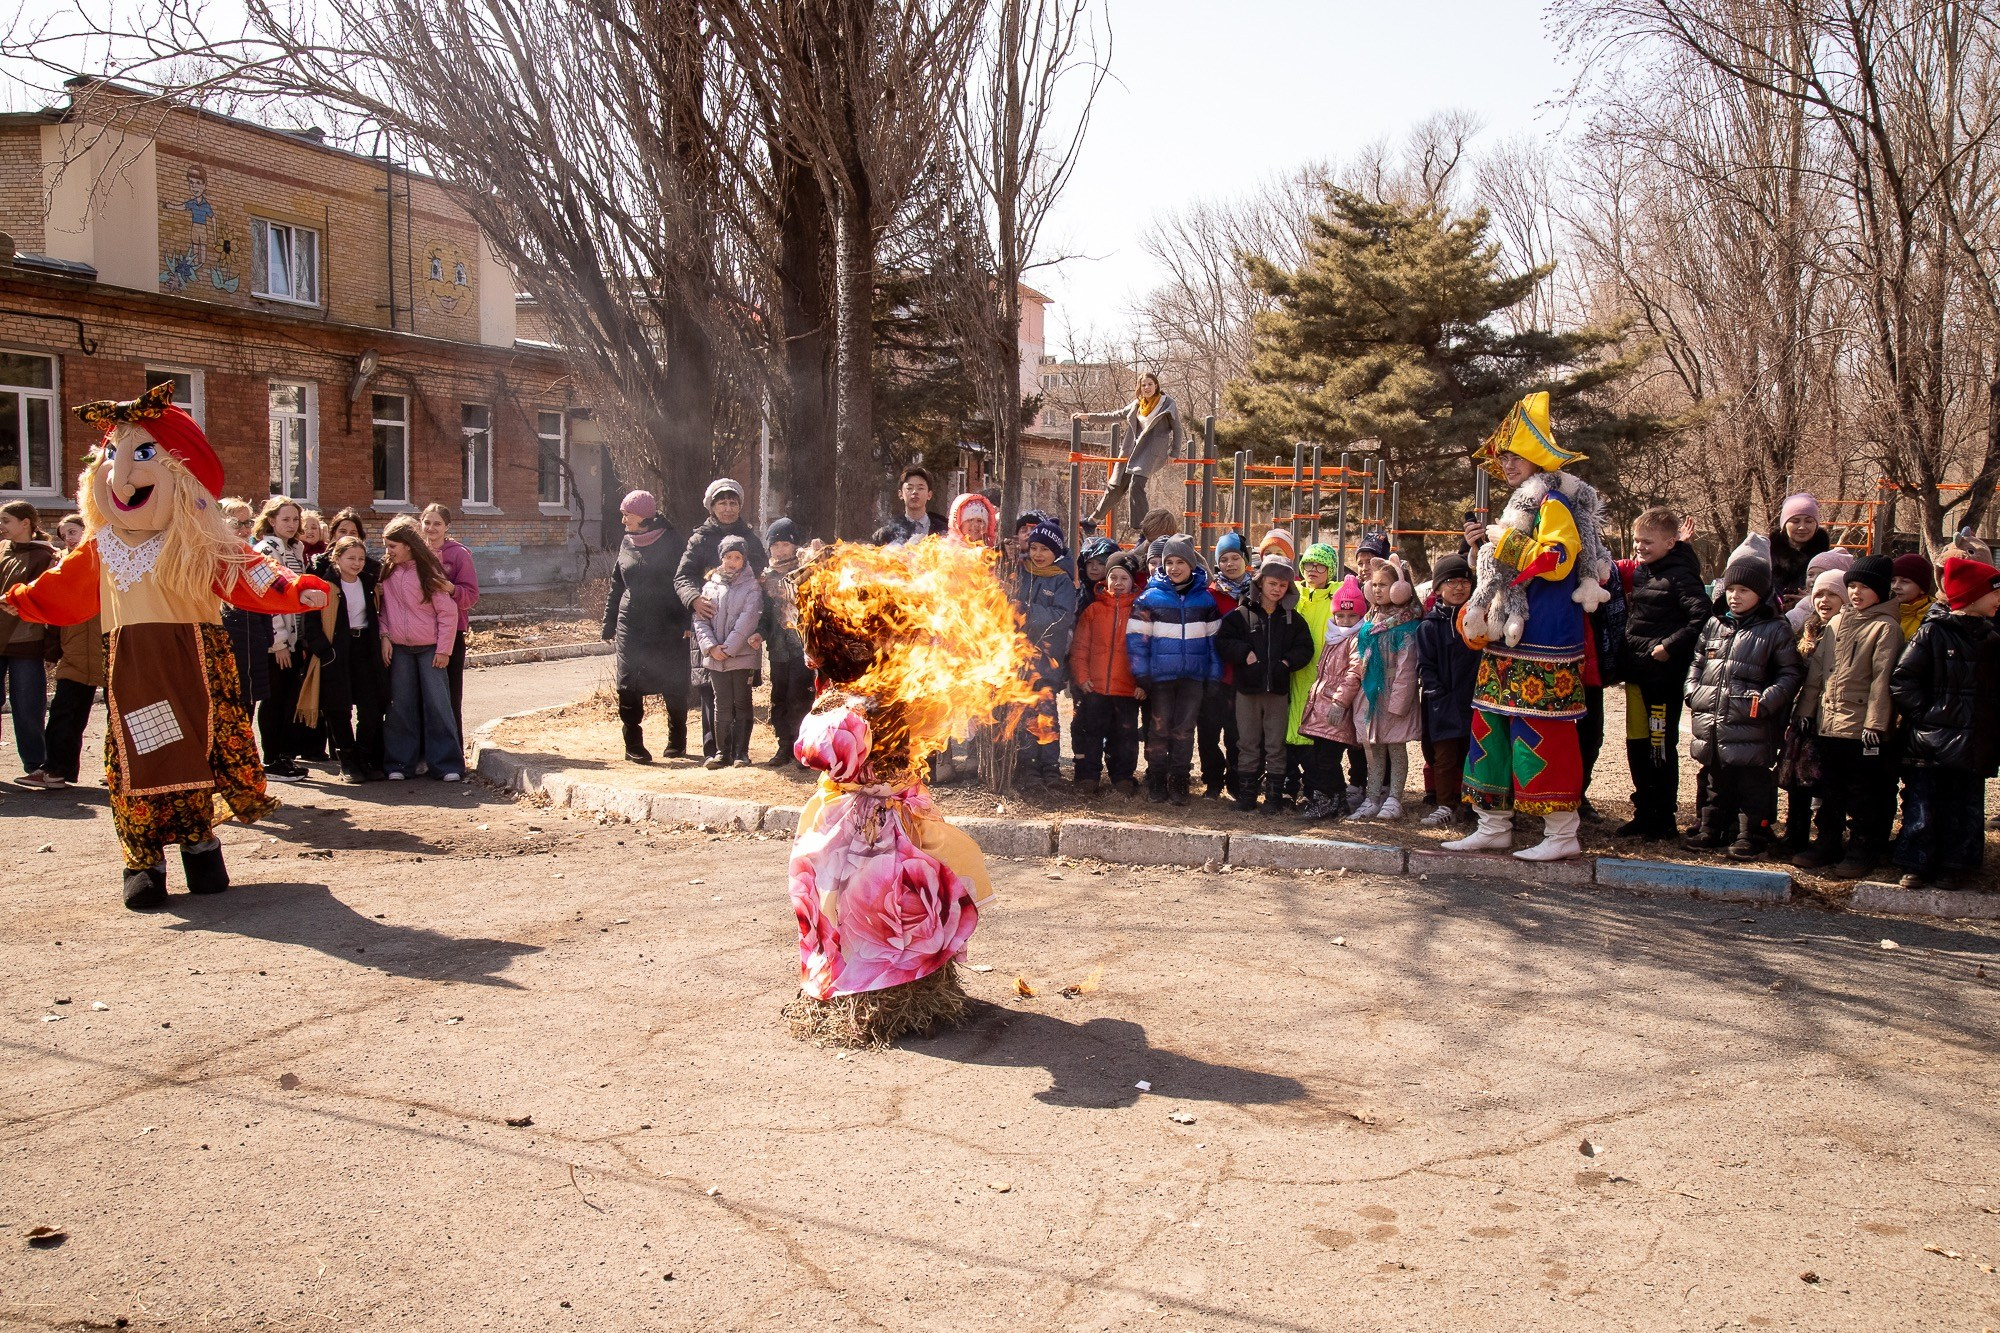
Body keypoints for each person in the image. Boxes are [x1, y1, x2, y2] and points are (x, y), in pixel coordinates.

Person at [2, 381, 329, 907]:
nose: (123, 473)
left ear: (182, 473)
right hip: (132, 668)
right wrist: (23, 598)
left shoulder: (197, 538)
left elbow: (249, 573)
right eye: (112, 455)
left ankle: (200, 846)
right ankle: (144, 861)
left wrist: (299, 590)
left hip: (196, 664)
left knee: (195, 754)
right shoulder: (101, 545)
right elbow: (64, 591)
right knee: (136, 759)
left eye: (143, 454)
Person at [1445, 393, 1614, 862]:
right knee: (1491, 729)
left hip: (1545, 640)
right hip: (1507, 640)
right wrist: (1486, 546)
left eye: (1513, 456)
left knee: (1543, 733)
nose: (1506, 466)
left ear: (1536, 457)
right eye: (1501, 459)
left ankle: (1561, 833)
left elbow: (1557, 561)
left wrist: (1501, 542)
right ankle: (1492, 824)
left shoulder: (1553, 502)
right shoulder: (1519, 507)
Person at [1790, 555, 1904, 878]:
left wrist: (1876, 723)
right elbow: (1817, 673)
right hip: (1829, 723)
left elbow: (1883, 681)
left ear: (1880, 590)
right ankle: (1827, 842)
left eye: (1864, 587)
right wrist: (1805, 711)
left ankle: (1862, 848)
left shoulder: (1887, 629)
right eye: (1852, 586)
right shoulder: (1837, 623)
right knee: (1830, 790)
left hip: (1861, 729)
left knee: (1863, 793)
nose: (1855, 593)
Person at [1890, 556, 2000, 890]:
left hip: (1973, 744)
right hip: (1931, 742)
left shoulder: (1992, 639)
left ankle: (1957, 865)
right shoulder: (1933, 632)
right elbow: (1902, 680)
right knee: (1924, 804)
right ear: (1969, 596)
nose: (1999, 600)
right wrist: (1926, 717)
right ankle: (1917, 864)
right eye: (1994, 593)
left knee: (1965, 806)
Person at [1684, 555, 1803, 859]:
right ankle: (1711, 828)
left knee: (1752, 782)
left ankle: (1750, 834)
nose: (1735, 597)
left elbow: (1790, 674)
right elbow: (1697, 662)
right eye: (1731, 589)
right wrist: (1692, 692)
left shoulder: (1775, 629)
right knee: (1714, 777)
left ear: (1761, 594)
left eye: (1744, 591)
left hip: (1751, 721)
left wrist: (1765, 702)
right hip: (1712, 718)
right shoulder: (1715, 624)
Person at [1614, 506, 1710, 840]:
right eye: (1637, 541)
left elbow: (1701, 617)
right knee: (1637, 745)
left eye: (1647, 542)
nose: (1640, 547)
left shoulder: (1681, 574)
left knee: (1659, 747)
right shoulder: (1645, 571)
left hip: (1661, 677)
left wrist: (1668, 646)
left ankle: (1663, 817)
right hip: (1638, 674)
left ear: (1670, 543)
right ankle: (1644, 812)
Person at [1215, 554, 1315, 813]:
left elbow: (1306, 648)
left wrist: (1286, 663)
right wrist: (1243, 653)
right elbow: (1222, 641)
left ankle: (1272, 799)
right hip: (1247, 691)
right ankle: (1246, 797)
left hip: (1278, 692)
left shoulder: (1292, 618)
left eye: (1283, 585)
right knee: (1246, 744)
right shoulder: (1241, 614)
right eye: (1272, 583)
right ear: (1260, 583)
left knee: (1275, 745)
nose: (1277, 589)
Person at [676, 478, 767, 760]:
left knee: (740, 695)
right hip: (709, 622)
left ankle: (740, 752)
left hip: (741, 629)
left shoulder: (750, 539)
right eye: (722, 503)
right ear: (711, 507)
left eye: (733, 503)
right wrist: (694, 599)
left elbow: (762, 576)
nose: (728, 509)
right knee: (709, 690)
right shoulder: (699, 538)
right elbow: (682, 577)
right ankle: (714, 751)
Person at [1127, 536, 1221, 805]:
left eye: (1181, 562)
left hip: (1193, 677)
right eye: (1169, 562)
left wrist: (1212, 676)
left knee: (1183, 730)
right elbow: (1136, 640)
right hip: (1160, 678)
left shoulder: (1204, 600)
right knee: (1158, 730)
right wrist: (1142, 675)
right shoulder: (1150, 598)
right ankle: (1156, 779)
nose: (1174, 568)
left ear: (1191, 564)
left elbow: (1214, 642)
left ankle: (1179, 781)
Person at [1327, 558, 1423, 821]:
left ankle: (1394, 798)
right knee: (1374, 749)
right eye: (1375, 584)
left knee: (1396, 749)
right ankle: (1372, 798)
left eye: (1384, 585)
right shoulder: (1370, 620)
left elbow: (1407, 668)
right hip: (1370, 696)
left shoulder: (1407, 624)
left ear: (1399, 588)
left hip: (1393, 696)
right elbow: (1359, 661)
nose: (1378, 590)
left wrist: (1399, 703)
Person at [602, 491, 691, 763]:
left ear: (643, 515)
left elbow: (685, 581)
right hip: (631, 622)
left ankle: (677, 739)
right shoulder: (626, 542)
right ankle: (633, 743)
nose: (623, 520)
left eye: (627, 514)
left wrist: (687, 619)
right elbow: (618, 584)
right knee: (628, 681)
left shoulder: (673, 541)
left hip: (668, 621)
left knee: (674, 680)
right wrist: (608, 622)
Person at [377, 516, 464, 783]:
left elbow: (447, 613)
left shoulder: (428, 572)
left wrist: (444, 650)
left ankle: (447, 764)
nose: (388, 551)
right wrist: (385, 636)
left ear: (408, 545)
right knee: (401, 707)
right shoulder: (387, 572)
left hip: (430, 650)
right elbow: (381, 611)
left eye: (392, 546)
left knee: (438, 705)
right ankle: (401, 763)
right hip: (401, 649)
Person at [301, 535, 385, 782]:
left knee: (371, 707)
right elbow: (311, 624)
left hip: (364, 649)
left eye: (360, 558)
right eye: (350, 558)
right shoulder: (324, 585)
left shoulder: (369, 582)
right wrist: (326, 652)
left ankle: (364, 756)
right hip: (337, 650)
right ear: (337, 559)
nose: (357, 563)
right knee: (339, 708)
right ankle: (347, 761)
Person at [1777, 569, 1848, 854]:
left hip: (1834, 717)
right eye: (1819, 594)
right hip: (1804, 718)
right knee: (1798, 780)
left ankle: (1828, 839)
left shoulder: (1848, 629)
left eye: (1832, 594)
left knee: (1830, 783)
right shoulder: (1809, 628)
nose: (1824, 600)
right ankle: (1795, 834)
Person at [1069, 550, 1143, 794]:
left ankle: (1122, 776)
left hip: (1126, 688)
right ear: (1106, 580)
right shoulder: (1093, 611)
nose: (1118, 583)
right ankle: (1088, 776)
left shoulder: (1141, 611)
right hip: (1096, 687)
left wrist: (1143, 683)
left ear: (1133, 581)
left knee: (1125, 737)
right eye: (1114, 578)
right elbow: (1080, 648)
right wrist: (1082, 678)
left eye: (1124, 578)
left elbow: (1146, 650)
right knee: (1090, 732)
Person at [1010, 521, 1077, 787]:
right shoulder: (1021, 572)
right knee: (1024, 713)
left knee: (1046, 712)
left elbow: (1060, 617)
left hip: (1047, 660)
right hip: (1018, 659)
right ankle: (1029, 767)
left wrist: (1026, 611)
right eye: (1034, 547)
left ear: (1056, 552)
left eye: (1045, 549)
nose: (1038, 554)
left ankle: (1051, 767)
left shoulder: (1062, 580)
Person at [1415, 553, 1480, 828]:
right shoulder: (1429, 626)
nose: (1458, 587)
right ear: (1438, 588)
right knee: (1443, 757)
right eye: (1450, 581)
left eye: (1464, 581)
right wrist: (1435, 692)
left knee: (1474, 755)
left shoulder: (1479, 621)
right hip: (1441, 703)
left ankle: (1473, 805)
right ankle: (1445, 804)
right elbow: (1424, 665)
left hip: (1473, 701)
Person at [1076, 373, 1183, 534]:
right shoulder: (1137, 405)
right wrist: (1087, 417)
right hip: (1133, 450)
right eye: (1143, 385)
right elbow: (1115, 415)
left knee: (1136, 484)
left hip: (1152, 451)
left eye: (1150, 384)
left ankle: (1145, 528)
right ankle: (1093, 520)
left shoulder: (1167, 404)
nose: (1147, 388)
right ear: (1139, 388)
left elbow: (1178, 429)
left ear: (1156, 386)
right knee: (1116, 485)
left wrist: (1174, 452)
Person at [1298, 575, 1369, 818]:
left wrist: (1339, 702)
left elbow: (1354, 674)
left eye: (1352, 616)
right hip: (1321, 709)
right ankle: (1337, 799)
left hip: (1337, 712)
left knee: (1327, 760)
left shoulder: (1356, 639)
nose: (1346, 621)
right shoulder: (1333, 637)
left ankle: (1325, 800)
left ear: (1361, 616)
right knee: (1319, 758)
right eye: (1341, 615)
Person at [252, 496, 311, 782]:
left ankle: (284, 756)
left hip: (295, 636)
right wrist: (278, 643)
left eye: (295, 519)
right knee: (274, 699)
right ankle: (272, 759)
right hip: (277, 640)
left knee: (288, 697)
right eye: (285, 519)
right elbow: (268, 598)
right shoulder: (266, 550)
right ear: (271, 520)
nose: (291, 524)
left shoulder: (296, 549)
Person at [695, 534, 764, 769]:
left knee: (742, 701)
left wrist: (730, 647)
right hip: (715, 656)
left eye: (737, 557)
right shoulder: (710, 586)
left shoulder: (752, 586)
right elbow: (700, 620)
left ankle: (741, 753)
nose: (733, 561)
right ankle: (722, 752)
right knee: (721, 703)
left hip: (742, 655)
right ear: (721, 558)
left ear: (744, 559)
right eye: (728, 556)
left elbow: (748, 619)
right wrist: (711, 647)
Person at [0, 501, 55, 783]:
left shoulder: (44, 556)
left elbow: (44, 594)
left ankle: (36, 765)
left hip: (25, 640)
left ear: (26, 523)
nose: (2, 526)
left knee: (28, 706)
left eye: (6, 521)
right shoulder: (1, 550)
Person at [419, 503, 480, 751]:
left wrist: (451, 589)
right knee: (423, 696)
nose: (431, 528)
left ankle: (453, 751)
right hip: (421, 632)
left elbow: (472, 595)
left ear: (447, 527)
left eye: (437, 523)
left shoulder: (458, 554)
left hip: (452, 632)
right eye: (427, 522)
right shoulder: (416, 551)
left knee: (450, 695)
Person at [1284, 543, 1338, 803]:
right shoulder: (1293, 595)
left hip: (1324, 678)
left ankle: (1317, 790)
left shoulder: (1336, 597)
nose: (1313, 570)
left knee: (1315, 739)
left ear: (1330, 570)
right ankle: (1288, 786)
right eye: (1308, 564)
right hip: (1293, 673)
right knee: (1289, 732)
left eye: (1320, 566)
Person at [1199, 531, 1251, 799]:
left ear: (1245, 560)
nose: (1230, 564)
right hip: (1213, 675)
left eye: (1235, 558)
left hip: (1241, 677)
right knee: (1208, 732)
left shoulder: (1256, 593)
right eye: (1224, 559)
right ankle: (1212, 780)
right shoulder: (1210, 593)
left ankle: (1236, 780)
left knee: (1236, 734)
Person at [217, 498, 273, 738]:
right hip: (220, 647)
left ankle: (241, 766)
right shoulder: (210, 559)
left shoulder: (255, 560)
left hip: (252, 644)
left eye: (248, 522)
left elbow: (269, 596)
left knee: (246, 714)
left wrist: (266, 635)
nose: (244, 529)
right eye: (236, 523)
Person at [760, 517, 813, 766]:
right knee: (778, 697)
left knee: (800, 698)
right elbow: (761, 612)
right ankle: (784, 746)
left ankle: (802, 748)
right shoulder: (765, 577)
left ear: (794, 546)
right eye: (776, 545)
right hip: (777, 649)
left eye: (785, 544)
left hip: (801, 648)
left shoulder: (805, 571)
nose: (781, 550)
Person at [1768, 493, 1830, 609]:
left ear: (1816, 525)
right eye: (1795, 521)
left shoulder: (1827, 560)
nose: (1802, 527)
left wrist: (1810, 601)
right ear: (1784, 524)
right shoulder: (1766, 555)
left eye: (1809, 521)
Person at [885, 465, 948, 542]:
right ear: (900, 494)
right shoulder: (888, 532)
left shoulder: (944, 530)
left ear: (929, 495)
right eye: (909, 488)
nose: (915, 492)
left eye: (920, 488)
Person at [1890, 553, 1936, 640]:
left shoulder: (1934, 618)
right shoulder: (1887, 611)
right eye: (1893, 580)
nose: (1895, 586)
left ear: (1922, 588)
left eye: (1904, 581)